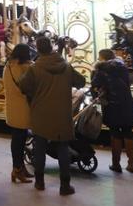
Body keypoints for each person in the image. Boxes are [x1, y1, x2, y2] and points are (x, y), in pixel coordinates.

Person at [19, 36, 85, 196]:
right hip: (62, 112)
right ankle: (65, 185)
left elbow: (23, 86)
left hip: (40, 112)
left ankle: (40, 182)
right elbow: (81, 82)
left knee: (40, 147)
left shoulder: (34, 68)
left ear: (38, 49)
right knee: (63, 147)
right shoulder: (66, 66)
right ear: (52, 47)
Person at [92, 49, 133, 174]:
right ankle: (131, 164)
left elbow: (95, 85)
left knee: (115, 133)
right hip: (127, 103)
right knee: (128, 133)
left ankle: (116, 164)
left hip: (112, 105)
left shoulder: (101, 69)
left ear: (101, 58)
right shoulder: (122, 67)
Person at [1, 42, 34, 184]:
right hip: (24, 108)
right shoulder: (26, 67)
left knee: (17, 140)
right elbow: (31, 87)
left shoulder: (8, 66)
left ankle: (19, 168)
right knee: (20, 141)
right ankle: (18, 169)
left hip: (12, 108)